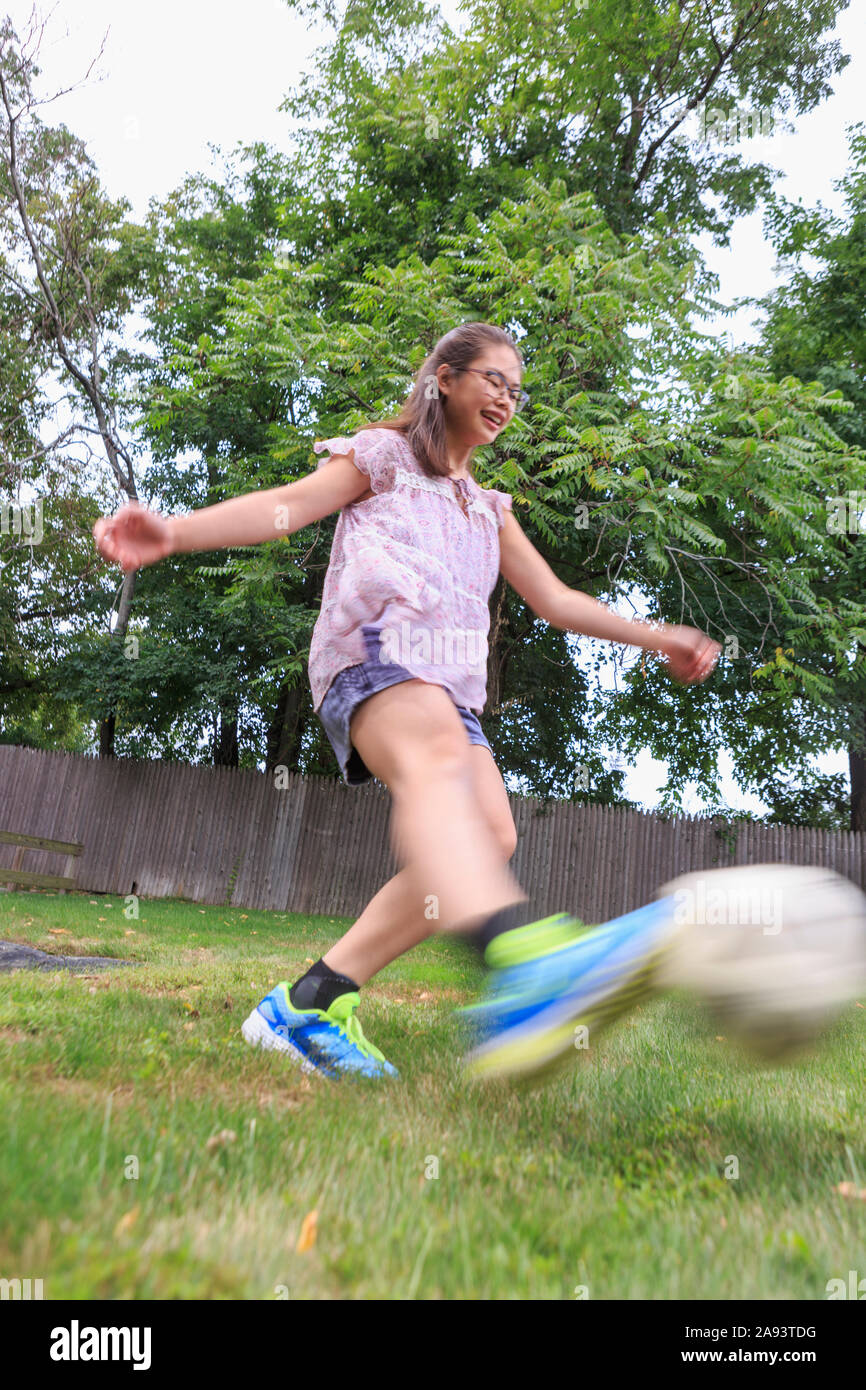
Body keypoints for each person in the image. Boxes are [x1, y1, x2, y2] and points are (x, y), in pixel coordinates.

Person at [93, 321, 720, 1085]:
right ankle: (522, 959)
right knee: (436, 764)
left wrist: (658, 637)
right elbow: (287, 506)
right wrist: (174, 532)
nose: (506, 399)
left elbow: (555, 599)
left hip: (448, 690)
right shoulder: (383, 457)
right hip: (375, 655)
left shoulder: (488, 508)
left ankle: (309, 1003)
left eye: (517, 391)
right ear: (445, 378)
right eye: (493, 379)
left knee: (487, 837)